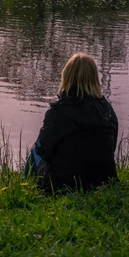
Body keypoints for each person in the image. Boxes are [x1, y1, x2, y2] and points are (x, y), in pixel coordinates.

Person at [25, 52, 119, 193]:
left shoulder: (59, 111)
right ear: (95, 78)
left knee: (35, 150)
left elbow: (43, 150)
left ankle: (26, 191)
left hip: (65, 183)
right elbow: (112, 147)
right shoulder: (107, 109)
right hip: (104, 180)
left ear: (66, 77)